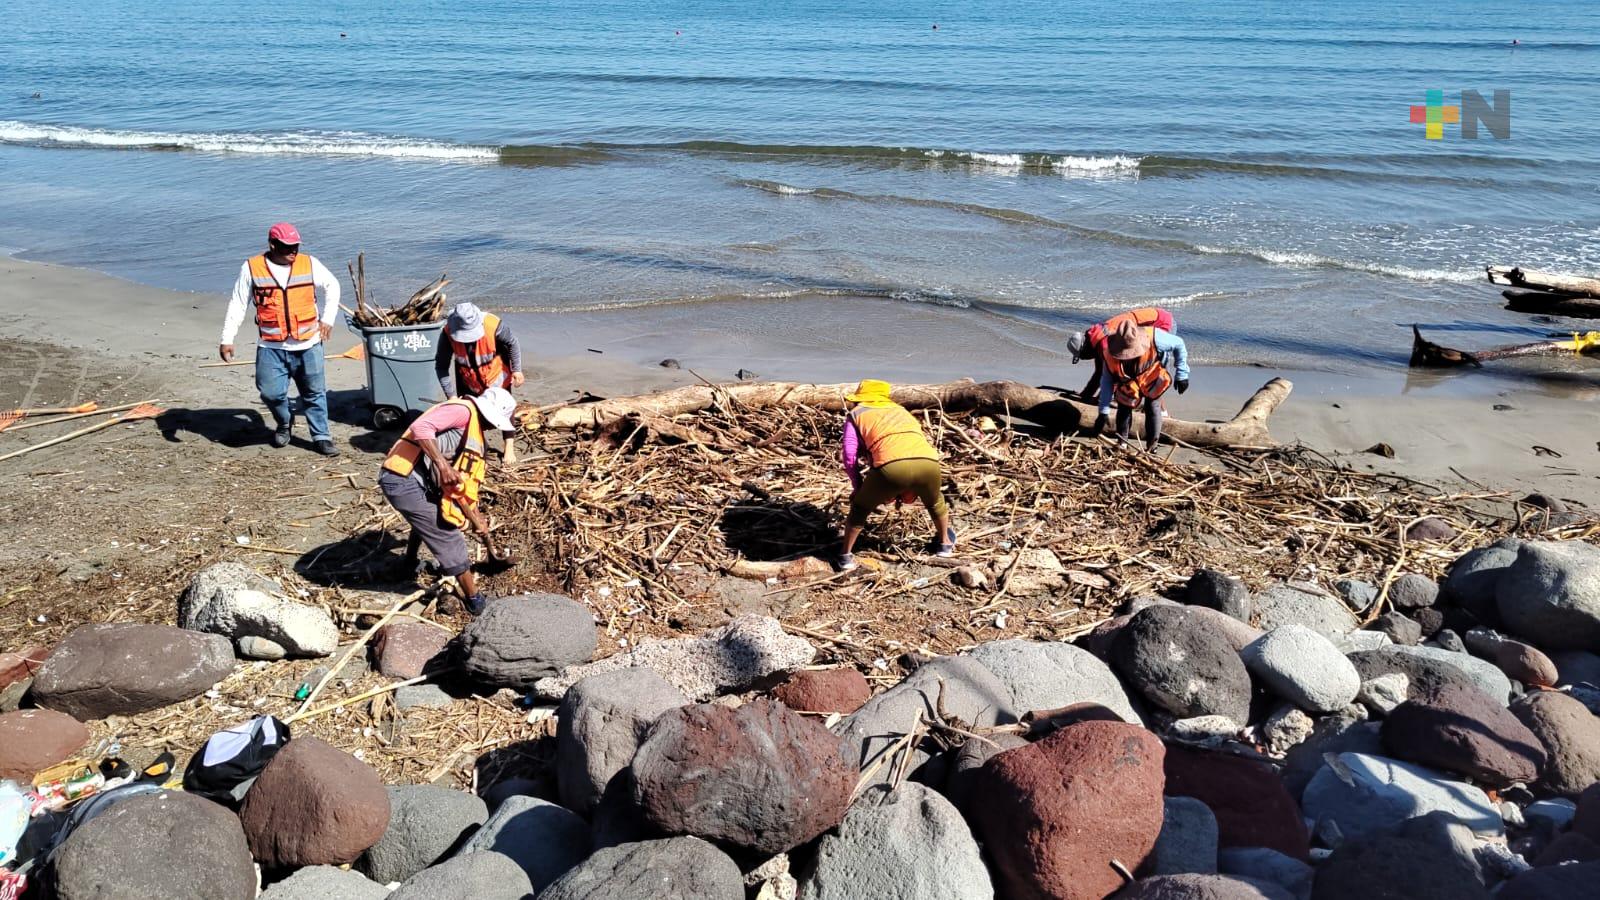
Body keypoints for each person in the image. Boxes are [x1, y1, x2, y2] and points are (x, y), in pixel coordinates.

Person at [378, 387, 517, 615]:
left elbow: (464, 483)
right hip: (402, 478)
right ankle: (475, 601)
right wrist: (443, 465)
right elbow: (421, 427)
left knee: (426, 518)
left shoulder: (475, 432)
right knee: (448, 534)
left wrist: (477, 517)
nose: (493, 427)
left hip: (419, 480)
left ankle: (408, 564)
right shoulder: (462, 411)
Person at [218, 222, 342, 456]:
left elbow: (332, 286)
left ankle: (321, 437)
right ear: (272, 244)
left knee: (314, 393)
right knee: (270, 393)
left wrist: (328, 319)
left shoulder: (309, 263)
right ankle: (285, 422)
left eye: (295, 246)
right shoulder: (252, 268)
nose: (293, 251)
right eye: (287, 246)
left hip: (308, 344)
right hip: (271, 346)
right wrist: (227, 338)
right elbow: (238, 303)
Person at [837, 379, 954, 570]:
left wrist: (858, 486)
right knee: (935, 502)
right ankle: (945, 545)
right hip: (929, 463)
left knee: (860, 507)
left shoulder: (856, 414)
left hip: (891, 467)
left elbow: (850, 455)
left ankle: (845, 557)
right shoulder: (901, 411)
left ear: (860, 399)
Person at [436, 302, 525, 464]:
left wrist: (517, 369)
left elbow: (513, 342)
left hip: (496, 374)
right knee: (471, 412)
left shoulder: (493, 325)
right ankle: (479, 443)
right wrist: (451, 396)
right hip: (468, 378)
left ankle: (509, 446)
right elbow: (441, 366)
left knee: (505, 408)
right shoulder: (447, 333)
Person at [1098, 319, 1189, 452]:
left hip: (1151, 376)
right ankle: (1122, 443)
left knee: (1152, 406)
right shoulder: (1109, 354)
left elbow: (1179, 343)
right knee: (1123, 407)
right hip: (1128, 384)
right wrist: (1103, 412)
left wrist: (1182, 374)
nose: (1128, 357)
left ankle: (1152, 446)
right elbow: (1106, 383)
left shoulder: (1155, 337)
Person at [1066, 307, 1176, 404]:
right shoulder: (1096, 337)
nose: (1085, 358)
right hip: (1153, 319)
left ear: (1085, 349)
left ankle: (1160, 410)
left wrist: (1101, 399)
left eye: (1083, 356)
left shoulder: (1104, 344)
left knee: (1150, 371)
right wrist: (1085, 395)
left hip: (1162, 323)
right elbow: (1099, 372)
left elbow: (1116, 374)